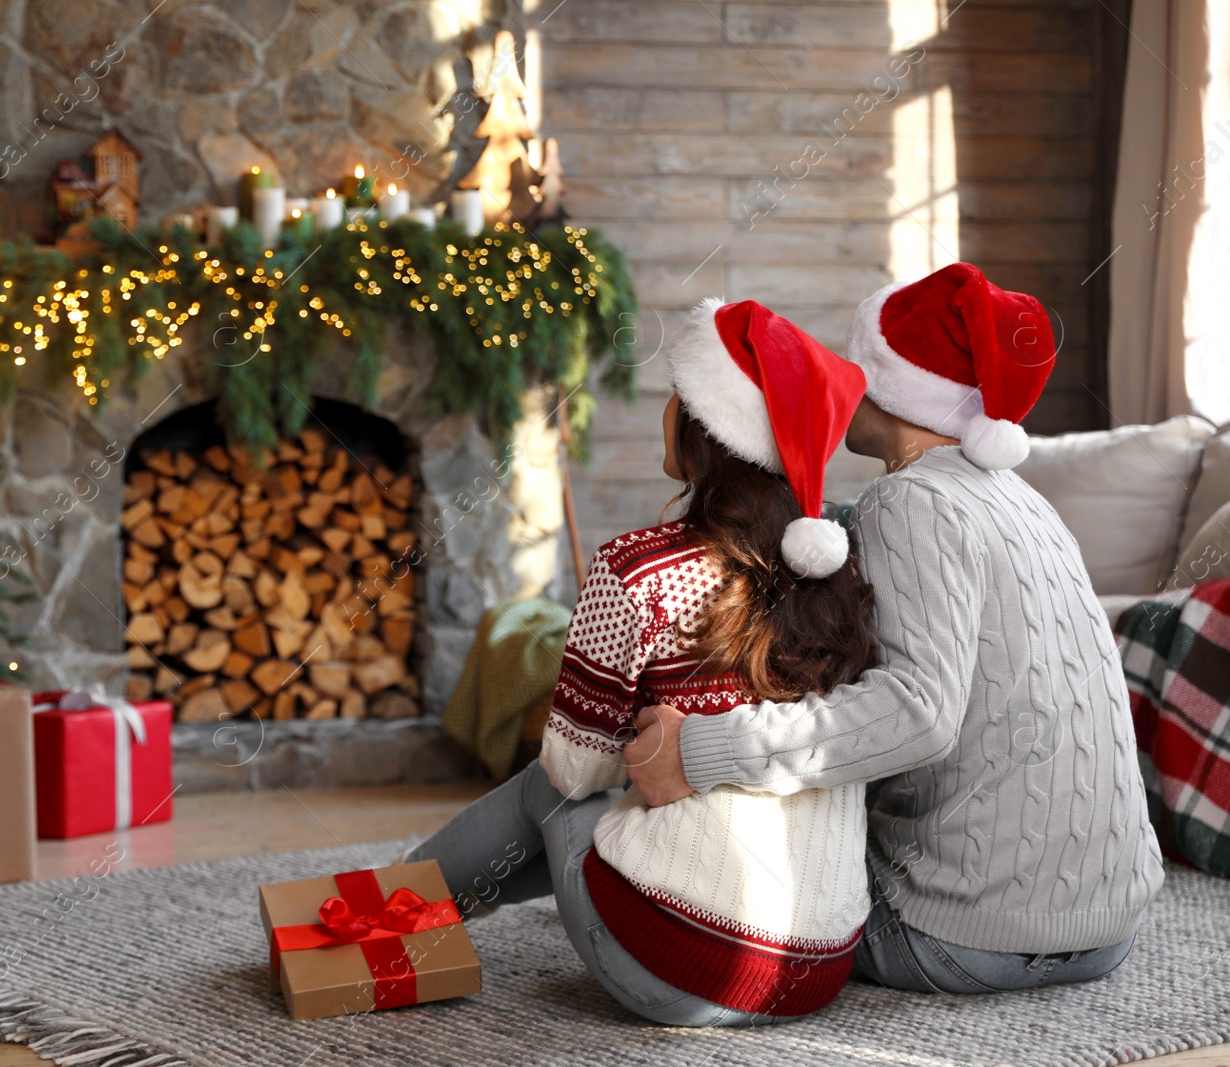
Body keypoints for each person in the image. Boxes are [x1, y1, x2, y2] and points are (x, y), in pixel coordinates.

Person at [626, 263, 1166, 994]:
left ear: (894, 382)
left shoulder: (908, 502)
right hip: (1110, 924)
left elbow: (914, 713)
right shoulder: (1025, 502)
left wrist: (700, 749)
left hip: (965, 933)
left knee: (708, 865)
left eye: (857, 361)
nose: (844, 379)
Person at [407, 298, 881, 1025]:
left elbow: (575, 773)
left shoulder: (637, 569)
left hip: (678, 973)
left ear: (704, 429)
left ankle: (392, 906)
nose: (665, 410)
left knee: (551, 786)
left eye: (673, 396)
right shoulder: (838, 575)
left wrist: (642, 743)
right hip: (815, 972)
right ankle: (420, 906)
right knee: (611, 789)